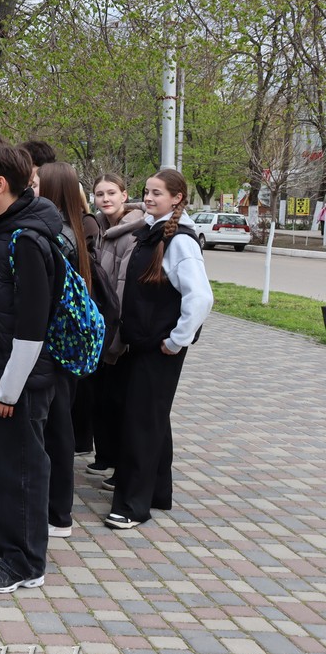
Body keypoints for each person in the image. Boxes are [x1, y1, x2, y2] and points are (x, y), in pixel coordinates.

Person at [0, 144, 62, 593]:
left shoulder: (28, 240)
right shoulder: (0, 230)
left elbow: (32, 328)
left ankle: (25, 562)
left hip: (18, 381)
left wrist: (9, 390)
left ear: (1, 184)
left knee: (20, 470)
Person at [106, 169, 212, 530]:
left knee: (141, 423)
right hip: (144, 343)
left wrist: (177, 339)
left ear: (177, 198)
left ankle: (133, 506)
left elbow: (200, 298)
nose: (149, 198)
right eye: (147, 191)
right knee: (152, 418)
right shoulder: (152, 232)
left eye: (157, 193)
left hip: (159, 347)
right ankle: (157, 492)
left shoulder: (180, 241)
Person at [35, 161, 98, 538]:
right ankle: (57, 509)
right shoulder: (69, 228)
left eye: (36, 183)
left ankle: (58, 513)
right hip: (65, 344)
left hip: (55, 344)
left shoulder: (58, 235)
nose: (31, 188)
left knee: (57, 428)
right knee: (59, 426)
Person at [88, 173, 145, 484]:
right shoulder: (99, 229)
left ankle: (122, 466)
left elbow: (122, 289)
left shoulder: (131, 233)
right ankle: (105, 456)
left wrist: (116, 337)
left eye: (111, 193)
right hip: (100, 326)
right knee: (101, 398)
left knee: (120, 402)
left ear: (125, 195)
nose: (105, 199)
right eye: (100, 194)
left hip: (118, 331)